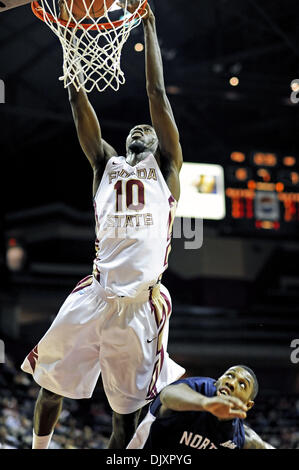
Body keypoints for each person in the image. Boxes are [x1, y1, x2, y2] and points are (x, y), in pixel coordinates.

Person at [20, 0, 186, 449]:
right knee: (51, 385)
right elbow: (77, 99)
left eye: (146, 131)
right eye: (134, 129)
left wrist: (148, 26)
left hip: (139, 307)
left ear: (157, 143)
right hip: (95, 292)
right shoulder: (104, 165)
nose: (140, 129)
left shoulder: (166, 168)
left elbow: (157, 95)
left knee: (124, 419)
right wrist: (70, 40)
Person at [127, 365, 275, 449]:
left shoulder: (241, 438)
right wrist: (205, 404)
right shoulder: (197, 388)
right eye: (229, 375)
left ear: (248, 405)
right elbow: (167, 395)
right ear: (218, 380)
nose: (231, 383)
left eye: (242, 384)